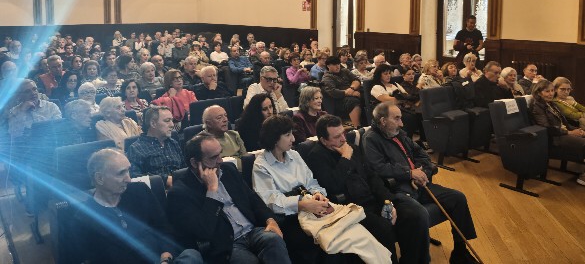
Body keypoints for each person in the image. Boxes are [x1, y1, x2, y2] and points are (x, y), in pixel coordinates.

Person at [308, 115, 432, 264]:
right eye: (336, 137)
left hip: (374, 199)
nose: (343, 139)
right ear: (323, 140)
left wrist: (388, 202)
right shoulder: (316, 157)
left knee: (415, 215)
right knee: (383, 228)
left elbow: (373, 177)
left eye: (343, 133)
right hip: (351, 208)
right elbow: (333, 185)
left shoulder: (352, 148)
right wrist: (345, 158)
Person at [363, 102, 478, 264]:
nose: (401, 123)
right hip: (398, 190)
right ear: (383, 121)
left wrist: (422, 174)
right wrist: (409, 174)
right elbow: (378, 168)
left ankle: (460, 252)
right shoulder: (371, 139)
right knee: (420, 214)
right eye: (397, 118)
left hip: (420, 184)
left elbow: (422, 155)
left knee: (458, 198)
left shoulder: (399, 133)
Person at [167, 134, 290, 264]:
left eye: (220, 154)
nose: (220, 160)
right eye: (213, 157)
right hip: (226, 244)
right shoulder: (180, 193)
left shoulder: (228, 170)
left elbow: (252, 198)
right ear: (194, 162)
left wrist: (270, 219)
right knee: (248, 261)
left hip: (251, 231)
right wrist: (211, 191)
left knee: (274, 240)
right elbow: (203, 231)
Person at [71, 148, 203, 264]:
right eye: (121, 173)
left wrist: (165, 258)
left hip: (160, 260)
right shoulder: (84, 218)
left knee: (191, 255)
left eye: (128, 170)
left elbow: (163, 228)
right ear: (100, 178)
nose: (128, 179)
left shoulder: (140, 191)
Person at [252, 115, 335, 263]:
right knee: (318, 243)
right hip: (289, 218)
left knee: (336, 236)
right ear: (274, 138)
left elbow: (311, 182)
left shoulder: (294, 155)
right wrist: (302, 204)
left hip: (311, 208)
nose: (293, 139)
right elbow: (271, 201)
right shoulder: (261, 165)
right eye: (287, 135)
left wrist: (318, 194)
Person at [530, 79, 585, 186]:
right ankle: (583, 178)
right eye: (547, 91)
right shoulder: (537, 106)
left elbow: (565, 123)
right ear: (539, 93)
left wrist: (578, 130)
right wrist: (570, 133)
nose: (551, 94)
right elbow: (547, 128)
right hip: (555, 138)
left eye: (552, 90)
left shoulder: (551, 104)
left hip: (563, 132)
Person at [127, 106, 184, 187]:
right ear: (153, 124)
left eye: (172, 120)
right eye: (167, 121)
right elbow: (135, 177)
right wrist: (164, 180)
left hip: (180, 187)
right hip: (157, 191)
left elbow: (184, 168)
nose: (172, 125)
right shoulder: (136, 148)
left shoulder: (173, 143)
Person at [201, 105, 247, 169]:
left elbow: (246, 158)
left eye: (225, 115)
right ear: (209, 123)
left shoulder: (234, 134)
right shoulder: (202, 141)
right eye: (219, 118)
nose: (225, 120)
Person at [321, 56, 362, 127]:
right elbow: (333, 92)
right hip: (338, 100)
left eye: (338, 64)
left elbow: (356, 80)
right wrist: (350, 93)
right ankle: (357, 127)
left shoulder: (345, 71)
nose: (337, 66)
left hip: (352, 92)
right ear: (328, 66)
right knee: (353, 101)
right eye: (334, 65)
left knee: (366, 97)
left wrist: (351, 89)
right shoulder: (327, 77)